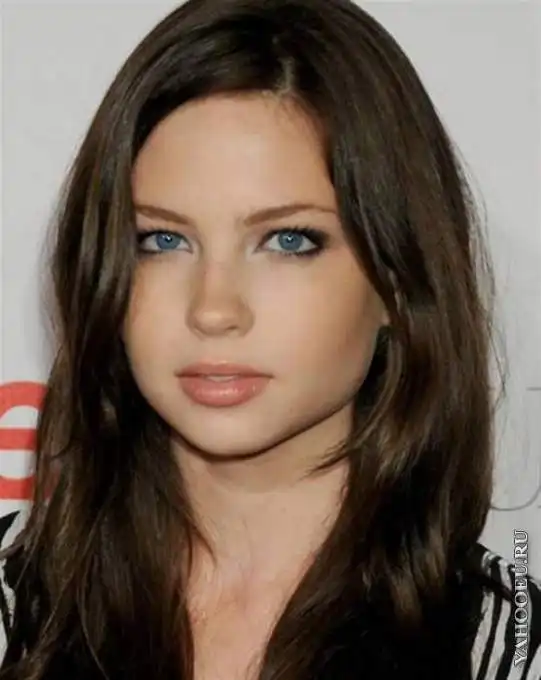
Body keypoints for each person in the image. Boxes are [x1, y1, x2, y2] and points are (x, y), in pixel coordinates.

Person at [0, 0, 539, 678]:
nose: (213, 309)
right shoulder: (17, 610)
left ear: (397, 282)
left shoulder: (507, 651)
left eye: (287, 240)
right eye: (161, 240)